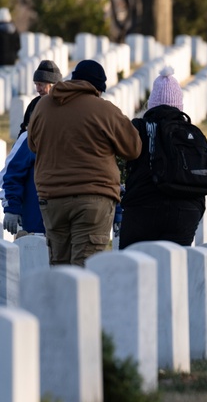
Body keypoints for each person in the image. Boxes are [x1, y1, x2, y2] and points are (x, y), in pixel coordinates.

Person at [28, 59, 142, 265]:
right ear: (97, 88)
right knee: (86, 270)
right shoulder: (105, 110)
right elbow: (133, 148)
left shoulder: (43, 106)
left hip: (52, 197)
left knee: (61, 270)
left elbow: (33, 144)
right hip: (93, 198)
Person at [118, 67, 207, 249]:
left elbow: (119, 163)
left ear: (152, 103)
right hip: (186, 212)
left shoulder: (138, 128)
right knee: (174, 271)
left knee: (132, 269)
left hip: (143, 208)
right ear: (179, 105)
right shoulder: (192, 133)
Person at [1, 60, 63, 238]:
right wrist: (13, 206)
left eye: (41, 84)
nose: (38, 88)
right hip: (33, 197)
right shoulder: (35, 105)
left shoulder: (65, 108)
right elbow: (17, 157)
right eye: (36, 84)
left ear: (52, 84)